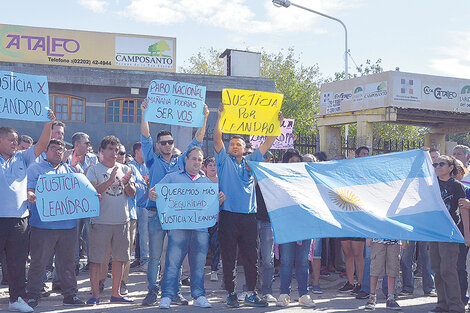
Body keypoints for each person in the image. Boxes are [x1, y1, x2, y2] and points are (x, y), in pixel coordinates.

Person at [140, 100, 209, 306]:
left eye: (170, 142)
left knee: (175, 254)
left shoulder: (181, 161)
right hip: (155, 213)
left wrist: (205, 118)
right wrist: (144, 114)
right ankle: (152, 292)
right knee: (154, 257)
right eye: (163, 142)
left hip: (179, 215)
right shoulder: (151, 159)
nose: (167, 145)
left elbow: (197, 142)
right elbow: (145, 137)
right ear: (158, 145)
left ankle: (174, 292)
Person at [214, 103, 283, 308]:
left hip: (249, 217)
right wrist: (220, 117)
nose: (234, 146)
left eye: (238, 144)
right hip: (228, 215)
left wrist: (276, 124)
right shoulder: (223, 161)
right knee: (228, 256)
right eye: (232, 144)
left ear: (244, 149)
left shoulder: (251, 160)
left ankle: (251, 292)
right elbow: (217, 138)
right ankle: (231, 293)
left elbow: (268, 143)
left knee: (251, 256)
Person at [151, 147, 225, 309]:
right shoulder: (171, 178)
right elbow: (156, 191)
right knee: (172, 262)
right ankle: (167, 296)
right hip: (178, 227)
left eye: (200, 160)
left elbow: (212, 206)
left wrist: (219, 199)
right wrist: (152, 193)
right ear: (186, 159)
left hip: (200, 229)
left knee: (198, 264)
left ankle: (198, 295)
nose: (197, 162)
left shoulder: (207, 183)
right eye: (194, 159)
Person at [0, 110, 55, 313]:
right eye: (11, 140)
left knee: (17, 263)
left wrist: (48, 124)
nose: (15, 143)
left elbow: (41, 145)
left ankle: (17, 299)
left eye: (16, 140)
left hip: (19, 221)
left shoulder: (23, 157)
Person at [25, 138, 86, 308]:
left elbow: (79, 192)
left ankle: (70, 295)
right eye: (53, 148)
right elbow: (29, 188)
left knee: (68, 263)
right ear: (46, 151)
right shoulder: (35, 169)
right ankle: (33, 295)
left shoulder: (70, 170)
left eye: (61, 149)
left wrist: (91, 198)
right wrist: (30, 194)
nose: (58, 151)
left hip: (68, 226)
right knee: (39, 262)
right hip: (43, 226)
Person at [85, 136, 136, 305]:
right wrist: (109, 180)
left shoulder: (126, 168)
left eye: (117, 150)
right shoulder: (93, 169)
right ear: (101, 151)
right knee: (96, 260)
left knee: (120, 258)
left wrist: (127, 184)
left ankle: (116, 294)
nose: (115, 153)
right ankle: (95, 295)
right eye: (111, 149)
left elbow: (132, 193)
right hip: (100, 222)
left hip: (122, 221)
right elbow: (93, 193)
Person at [276, 149, 315, 308]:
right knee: (285, 261)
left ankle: (304, 294)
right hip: (286, 226)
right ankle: (284, 294)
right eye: (291, 161)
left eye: (298, 161)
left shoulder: (308, 180)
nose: (295, 164)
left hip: (305, 226)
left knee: (303, 262)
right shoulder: (279, 179)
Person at [428, 155, 466, 313]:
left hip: (449, 232)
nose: (437, 166)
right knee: (437, 268)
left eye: (441, 164)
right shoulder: (431, 185)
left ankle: (456, 306)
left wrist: (466, 236)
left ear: (451, 168)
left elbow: (463, 210)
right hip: (434, 231)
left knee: (448, 269)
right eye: (435, 164)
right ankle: (442, 304)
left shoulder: (456, 186)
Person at [340, 147, 368, 295]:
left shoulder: (365, 175)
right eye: (362, 154)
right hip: (344, 216)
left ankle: (361, 283)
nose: (365, 157)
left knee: (358, 252)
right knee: (347, 251)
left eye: (367, 155)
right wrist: (347, 163)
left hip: (359, 217)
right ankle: (350, 282)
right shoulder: (345, 174)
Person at [254, 151, 276, 303]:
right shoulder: (250, 175)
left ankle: (267, 290)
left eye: (268, 159)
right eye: (263, 159)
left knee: (268, 259)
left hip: (268, 221)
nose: (266, 162)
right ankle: (251, 289)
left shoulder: (274, 178)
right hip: (252, 220)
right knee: (252, 257)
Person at [364, 237, 408, 310]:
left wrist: (405, 238)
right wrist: (369, 236)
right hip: (378, 239)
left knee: (393, 269)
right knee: (375, 268)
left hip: (395, 240)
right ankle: (372, 297)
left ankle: (391, 298)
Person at [128, 142, 150, 271]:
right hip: (133, 206)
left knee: (144, 235)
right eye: (144, 150)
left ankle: (145, 262)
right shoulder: (129, 166)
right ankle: (126, 261)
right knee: (130, 236)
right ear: (137, 151)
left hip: (146, 206)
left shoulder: (150, 165)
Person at [202, 156, 221, 282]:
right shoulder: (201, 181)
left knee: (216, 245)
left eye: (215, 165)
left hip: (218, 219)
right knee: (202, 246)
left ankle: (214, 270)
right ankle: (199, 269)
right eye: (210, 165)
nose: (213, 168)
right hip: (203, 219)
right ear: (205, 168)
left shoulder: (222, 181)